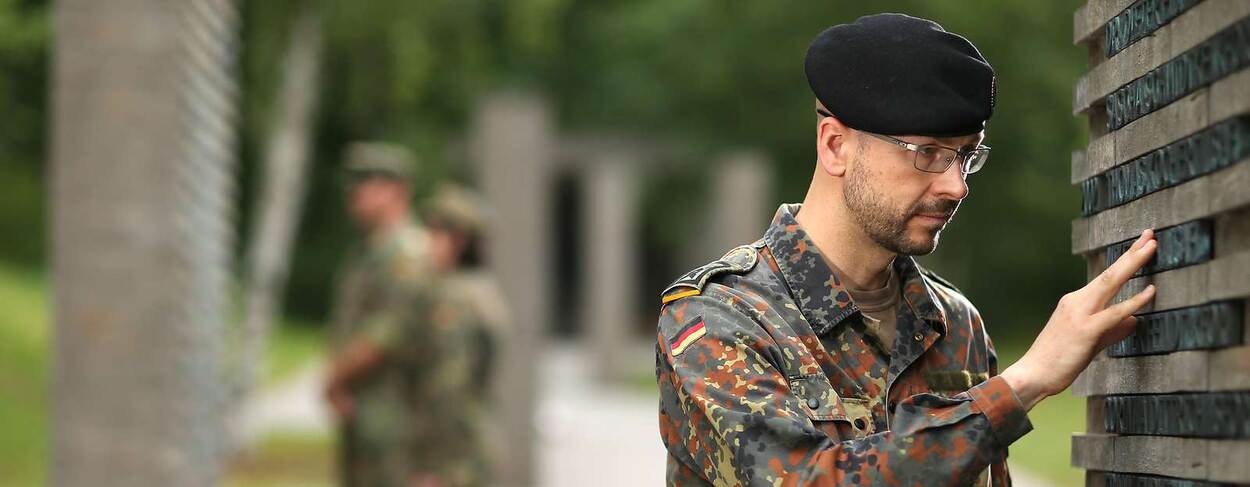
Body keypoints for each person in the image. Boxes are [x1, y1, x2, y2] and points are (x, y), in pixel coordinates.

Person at [654, 13, 1158, 486]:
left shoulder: (955, 324)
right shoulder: (719, 319)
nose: (956, 186)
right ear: (835, 146)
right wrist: (1024, 383)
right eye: (928, 153)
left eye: (966, 155)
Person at [324, 142, 434, 486]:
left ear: (398, 190)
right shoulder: (370, 251)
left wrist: (336, 378)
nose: (355, 192)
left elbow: (389, 331)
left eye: (368, 182)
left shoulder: (408, 253)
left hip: (396, 419)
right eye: (354, 183)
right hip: (368, 414)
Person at [407, 184, 507, 486]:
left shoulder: (455, 300)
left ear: (460, 240)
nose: (427, 242)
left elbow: (448, 387)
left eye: (436, 233)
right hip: (470, 446)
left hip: (454, 458)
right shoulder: (480, 290)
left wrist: (431, 467)